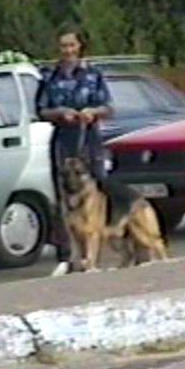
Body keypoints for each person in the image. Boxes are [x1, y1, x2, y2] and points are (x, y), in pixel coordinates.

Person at [36, 26, 114, 276]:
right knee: (62, 197)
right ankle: (65, 255)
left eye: (71, 45)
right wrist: (60, 113)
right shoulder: (50, 77)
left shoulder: (93, 74)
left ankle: (93, 252)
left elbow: (108, 106)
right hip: (63, 139)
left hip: (89, 139)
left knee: (95, 191)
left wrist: (93, 112)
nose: (68, 51)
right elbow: (40, 109)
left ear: (79, 46)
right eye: (63, 46)